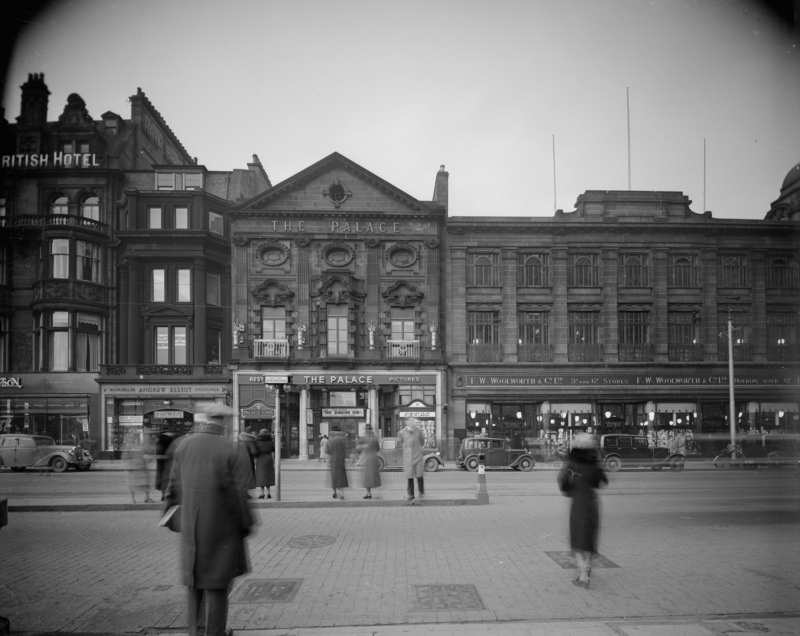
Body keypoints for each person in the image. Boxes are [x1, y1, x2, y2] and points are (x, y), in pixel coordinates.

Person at [164, 404, 254, 636]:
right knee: (217, 583)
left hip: (191, 527)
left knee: (195, 580)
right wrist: (246, 524)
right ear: (225, 421)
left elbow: (171, 487)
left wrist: (175, 520)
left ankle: (195, 630)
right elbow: (240, 493)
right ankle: (215, 632)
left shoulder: (184, 444)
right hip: (221, 526)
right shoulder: (233, 448)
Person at [558, 432, 608, 589]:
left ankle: (583, 577)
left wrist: (571, 489)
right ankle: (587, 565)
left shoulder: (572, 462)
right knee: (587, 539)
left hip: (578, 503)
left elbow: (563, 483)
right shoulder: (594, 462)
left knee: (578, 541)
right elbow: (602, 482)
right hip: (592, 503)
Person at [398, 420, 425, 501]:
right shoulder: (401, 433)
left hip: (417, 456)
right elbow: (400, 442)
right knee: (410, 476)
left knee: (419, 475)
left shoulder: (418, 432)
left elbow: (422, 442)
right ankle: (411, 494)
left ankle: (421, 491)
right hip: (408, 457)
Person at [357, 425, 381, 499]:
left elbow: (358, 450)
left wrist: (362, 447)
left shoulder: (364, 439)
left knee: (367, 477)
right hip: (374, 458)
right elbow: (378, 449)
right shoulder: (375, 439)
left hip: (367, 459)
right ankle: (373, 493)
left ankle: (368, 493)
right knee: (373, 476)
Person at [154, 431, 177, 501]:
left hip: (161, 463)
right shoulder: (172, 440)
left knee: (163, 478)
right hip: (169, 462)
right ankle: (169, 494)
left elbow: (157, 452)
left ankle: (164, 494)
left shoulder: (160, 440)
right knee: (170, 478)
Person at [326, 426, 348, 500]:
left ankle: (335, 492)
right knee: (340, 477)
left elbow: (327, 451)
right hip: (340, 461)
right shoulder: (341, 440)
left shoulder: (330, 441)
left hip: (333, 461)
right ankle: (341, 493)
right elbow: (344, 452)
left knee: (334, 477)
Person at [254, 429, 275, 499]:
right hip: (269, 458)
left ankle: (262, 494)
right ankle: (269, 493)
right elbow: (273, 451)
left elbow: (255, 452)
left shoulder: (257, 441)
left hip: (260, 459)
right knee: (268, 476)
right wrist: (273, 460)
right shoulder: (271, 441)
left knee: (261, 476)